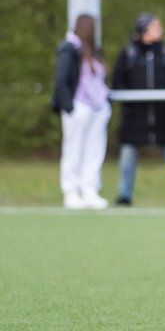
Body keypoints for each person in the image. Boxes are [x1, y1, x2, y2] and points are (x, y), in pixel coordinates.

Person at [113, 13, 165, 206]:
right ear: (143, 31)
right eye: (155, 27)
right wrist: (129, 103)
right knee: (128, 156)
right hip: (134, 117)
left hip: (164, 117)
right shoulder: (128, 53)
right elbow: (118, 80)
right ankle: (124, 194)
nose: (159, 30)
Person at [51, 13, 111, 209]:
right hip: (78, 107)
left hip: (97, 108)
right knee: (73, 149)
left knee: (94, 150)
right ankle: (71, 190)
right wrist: (69, 107)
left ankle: (89, 189)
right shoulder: (69, 49)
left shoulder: (94, 51)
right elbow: (61, 81)